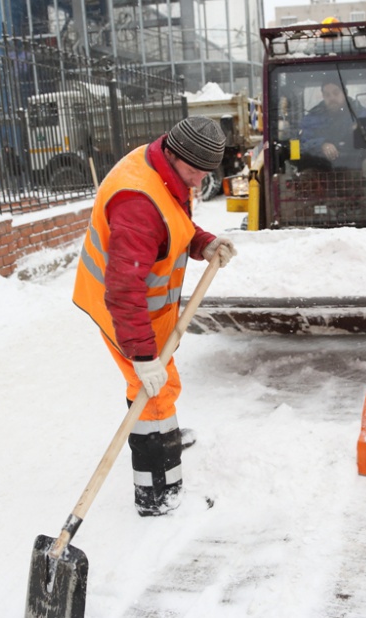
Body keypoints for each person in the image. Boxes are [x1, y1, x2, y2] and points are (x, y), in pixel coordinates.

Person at [72, 116, 238, 516]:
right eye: (195, 172)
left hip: (147, 314)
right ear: (174, 154)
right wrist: (143, 357)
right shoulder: (137, 203)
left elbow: (172, 227)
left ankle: (166, 435)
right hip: (125, 315)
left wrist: (204, 242)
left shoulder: (160, 169)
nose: (199, 182)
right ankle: (159, 493)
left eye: (205, 172)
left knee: (163, 384)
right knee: (154, 395)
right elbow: (125, 289)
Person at [298, 80, 366, 169]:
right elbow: (299, 144)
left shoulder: (359, 114)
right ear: (323, 96)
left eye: (336, 93)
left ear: (345, 93)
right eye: (327, 95)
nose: (332, 98)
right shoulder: (311, 119)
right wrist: (321, 144)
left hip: (355, 171)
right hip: (318, 172)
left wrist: (355, 132)